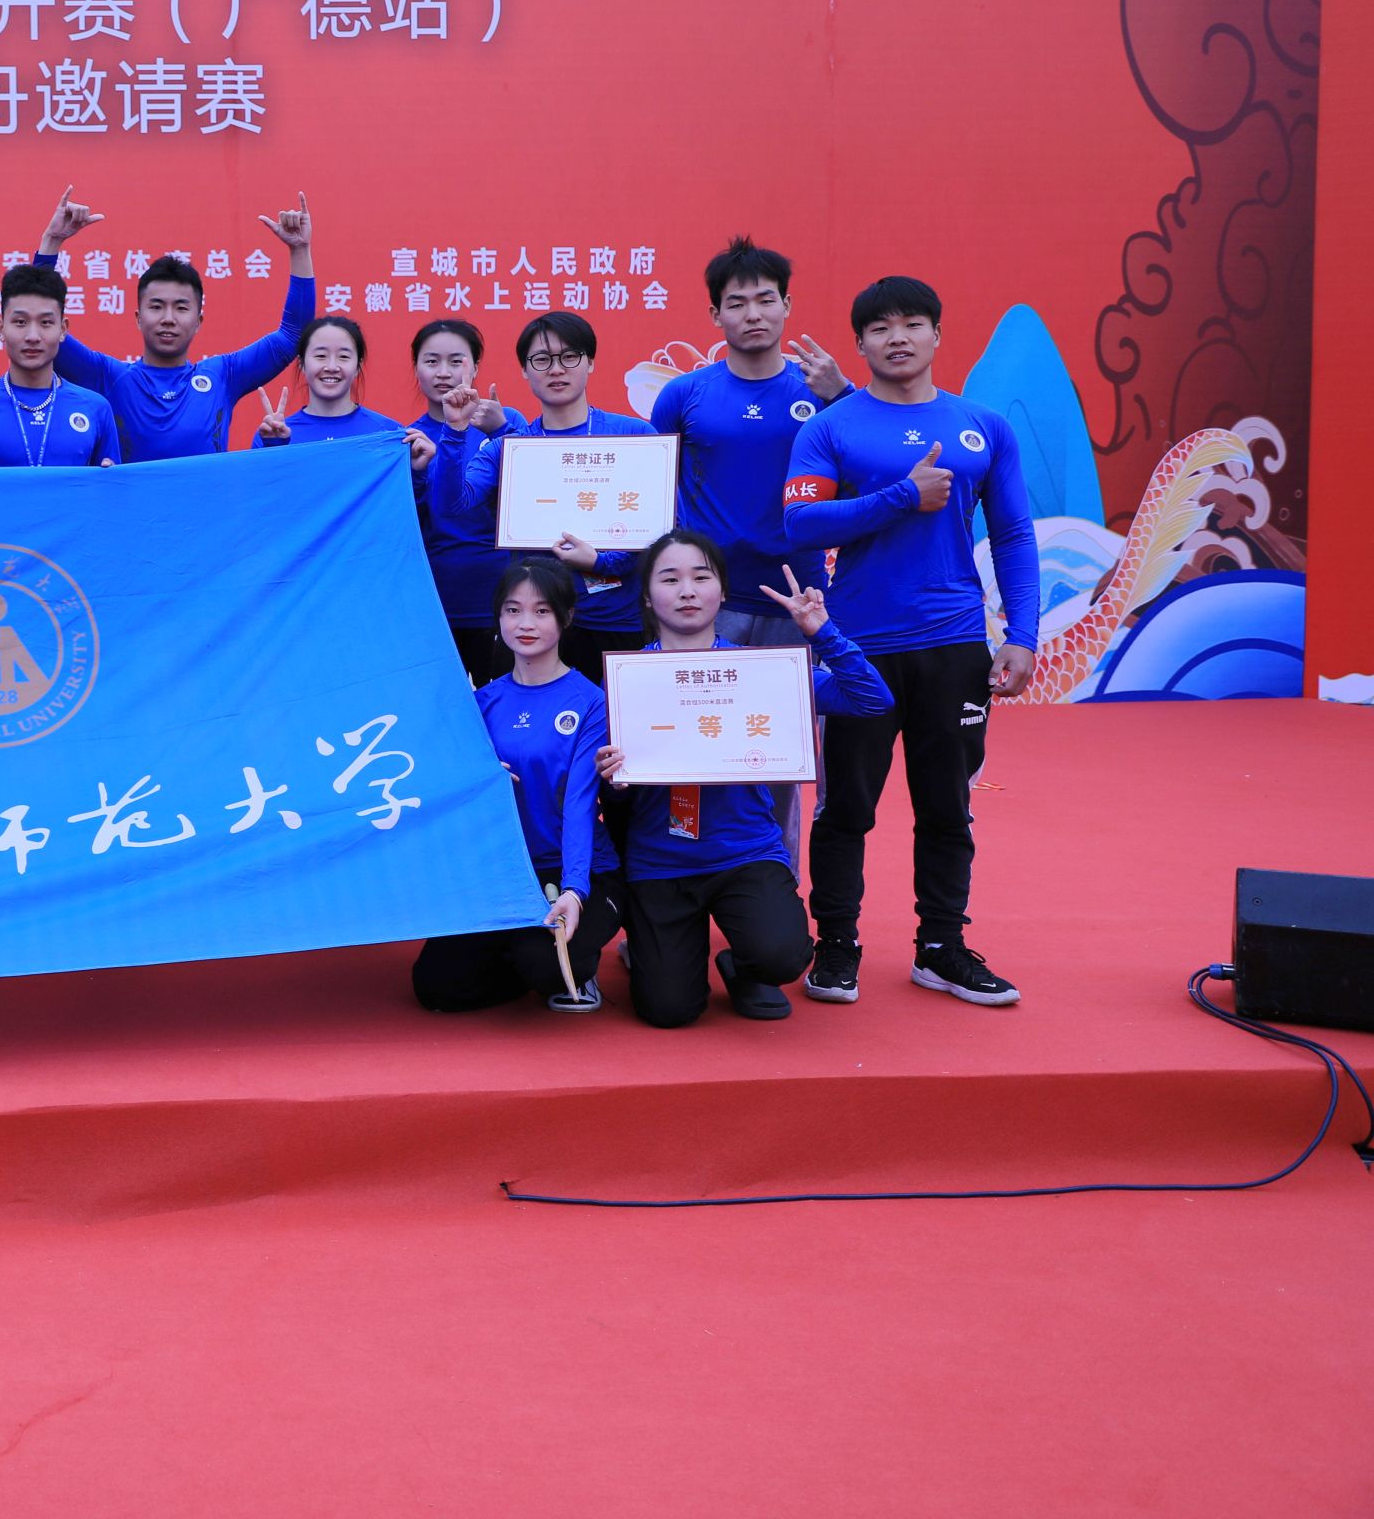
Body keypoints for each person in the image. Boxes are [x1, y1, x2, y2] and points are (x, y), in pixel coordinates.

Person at [786, 275, 1041, 1009]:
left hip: (955, 643)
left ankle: (941, 949)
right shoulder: (831, 427)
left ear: (937, 334)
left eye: (912, 324)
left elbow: (1014, 534)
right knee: (845, 808)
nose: (897, 338)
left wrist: (1022, 635)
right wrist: (902, 495)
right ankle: (836, 946)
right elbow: (800, 524)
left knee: (947, 806)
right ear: (860, 343)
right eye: (880, 328)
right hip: (857, 649)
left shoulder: (982, 426)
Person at [598, 530, 891, 1027]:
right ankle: (662, 951)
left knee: (781, 955)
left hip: (745, 853)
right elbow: (600, 785)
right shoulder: (626, 678)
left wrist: (822, 634)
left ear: (722, 592)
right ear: (646, 596)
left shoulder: (763, 670)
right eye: (669, 579)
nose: (687, 591)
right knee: (668, 1010)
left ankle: (742, 965)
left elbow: (872, 700)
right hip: (661, 861)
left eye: (701, 577)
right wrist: (612, 777)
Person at [411, 558, 623, 1013]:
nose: (525, 623)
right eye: (513, 610)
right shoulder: (482, 702)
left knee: (546, 968)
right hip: (506, 870)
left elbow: (580, 805)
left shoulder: (591, 702)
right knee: (436, 986)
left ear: (566, 618)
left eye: (541, 611)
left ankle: (567, 961)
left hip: (576, 868)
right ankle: (521, 949)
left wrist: (575, 890)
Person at [647, 237, 849, 645]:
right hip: (707, 597)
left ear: (786, 305)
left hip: (800, 594)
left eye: (766, 300)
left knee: (798, 690)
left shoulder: (822, 391)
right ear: (716, 314)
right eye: (737, 304)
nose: (753, 315)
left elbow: (865, 474)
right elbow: (650, 490)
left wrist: (843, 396)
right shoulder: (683, 394)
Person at [27, 184, 318, 460]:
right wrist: (52, 241)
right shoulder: (110, 377)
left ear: (198, 320)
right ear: (138, 318)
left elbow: (293, 336)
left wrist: (299, 250)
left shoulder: (223, 376)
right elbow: (43, 330)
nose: (168, 319)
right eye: (156, 307)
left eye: (181, 308)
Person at [457, 312, 658, 683]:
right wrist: (455, 433)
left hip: (613, 622)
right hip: (533, 626)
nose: (556, 369)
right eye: (542, 359)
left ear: (590, 362)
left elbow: (664, 527)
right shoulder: (511, 448)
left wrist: (601, 561)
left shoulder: (636, 435)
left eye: (569, 356)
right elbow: (457, 503)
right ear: (524, 370)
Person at [404, 318, 526, 683]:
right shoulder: (407, 439)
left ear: (475, 367)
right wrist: (417, 475)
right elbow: (411, 523)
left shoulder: (506, 421)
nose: (443, 372)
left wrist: (502, 430)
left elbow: (532, 499)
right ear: (416, 368)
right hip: (436, 600)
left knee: (502, 703)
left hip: (500, 597)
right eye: (431, 361)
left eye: (456, 361)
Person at [0, 262, 122, 468]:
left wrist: (111, 480)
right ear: (1, 329)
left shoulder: (96, 408)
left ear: (63, 330)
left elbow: (112, 486)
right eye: (20, 322)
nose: (32, 336)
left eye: (45, 323)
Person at [254, 315, 403, 448]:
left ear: (358, 366)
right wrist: (275, 447)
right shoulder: (272, 435)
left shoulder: (389, 434)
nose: (331, 367)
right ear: (301, 363)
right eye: (321, 356)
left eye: (343, 357)